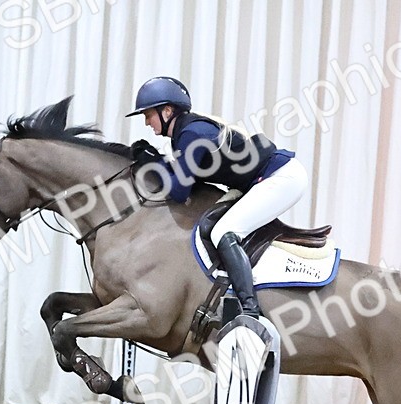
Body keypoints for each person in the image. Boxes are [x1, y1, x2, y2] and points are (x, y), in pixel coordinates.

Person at [126, 76, 309, 318]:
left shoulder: (191, 133)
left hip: (281, 177)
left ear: (167, 111)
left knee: (224, 231)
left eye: (148, 115)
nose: (146, 122)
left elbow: (179, 191)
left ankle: (250, 310)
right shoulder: (185, 132)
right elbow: (184, 178)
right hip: (264, 178)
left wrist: (152, 162)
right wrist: (157, 161)